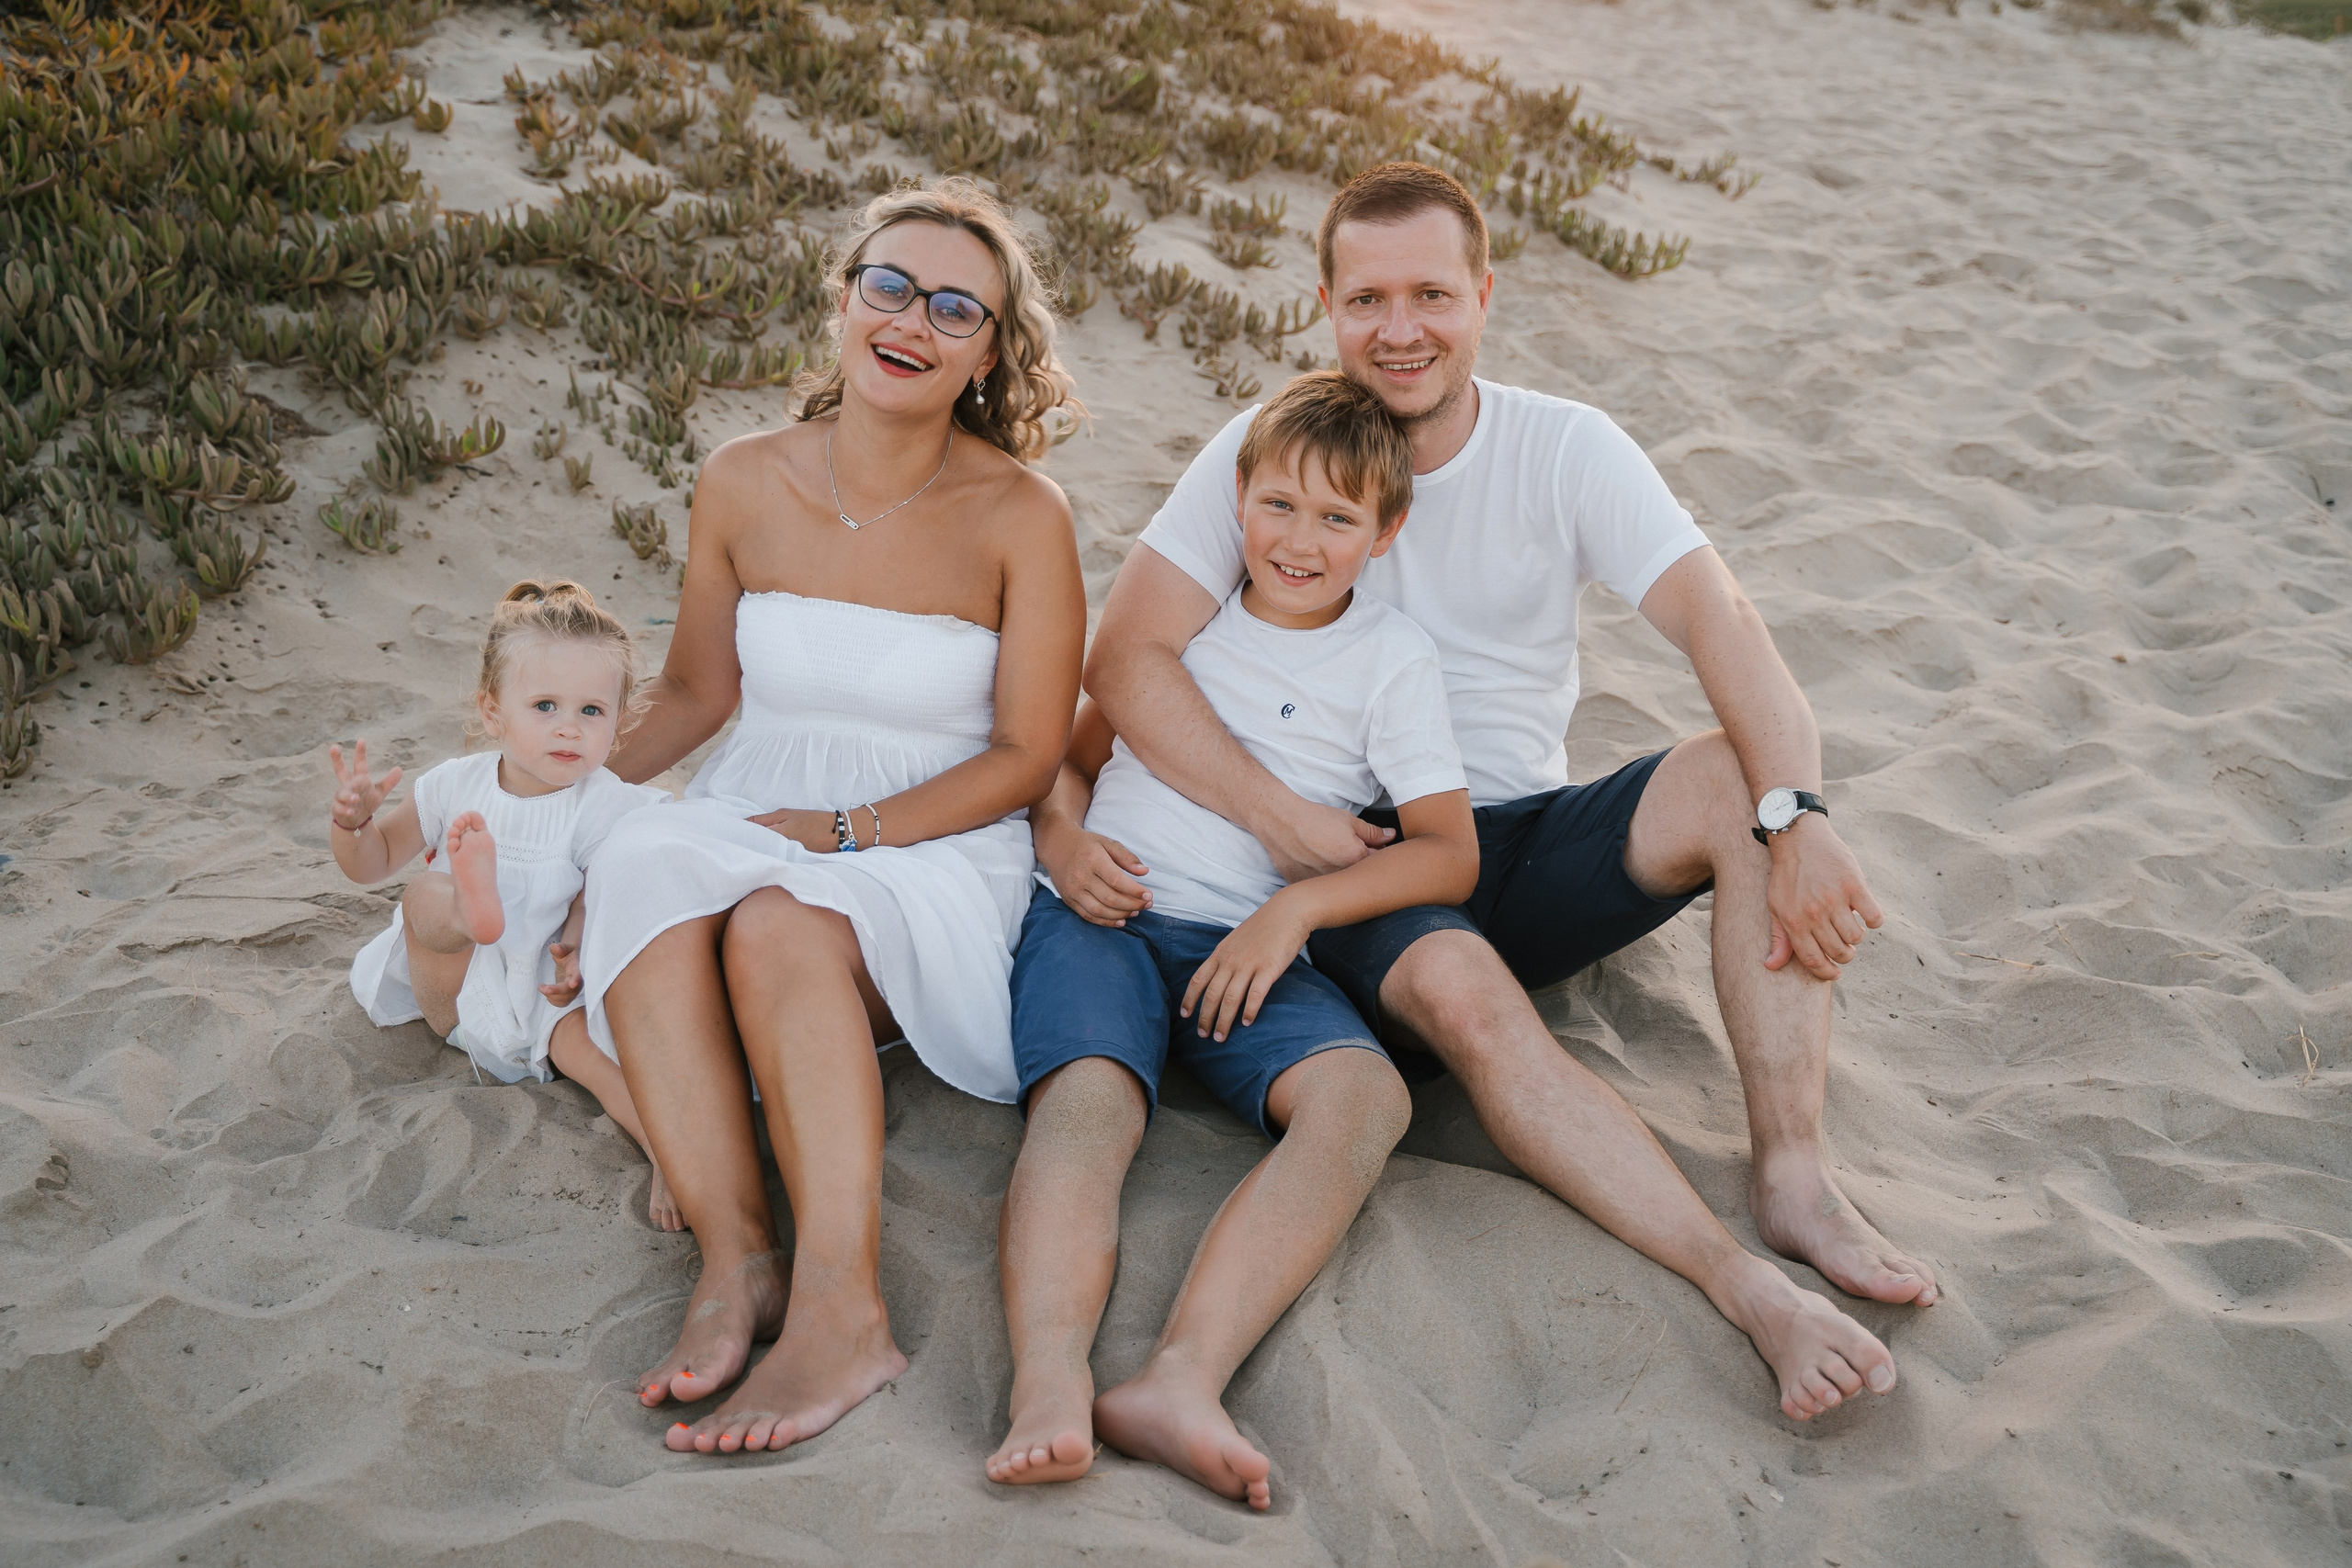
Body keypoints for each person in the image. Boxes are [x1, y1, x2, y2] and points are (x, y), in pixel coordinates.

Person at [1047, 163, 1938, 1425]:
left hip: (1513, 835)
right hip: (1366, 862)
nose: (1398, 328)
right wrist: (1281, 823)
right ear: (1325, 303)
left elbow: (1716, 613)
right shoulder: (1275, 447)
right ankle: (1747, 1286)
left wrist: (1800, 812)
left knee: (1746, 776)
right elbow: (1126, 655)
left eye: (1429, 293)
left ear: (1484, 295)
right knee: (1472, 998)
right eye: (1367, 298)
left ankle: (1792, 1170)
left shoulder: (1563, 445)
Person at [575, 177, 1087, 1456]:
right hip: (760, 799)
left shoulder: (1022, 514)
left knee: (776, 923)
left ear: (987, 353)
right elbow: (700, 688)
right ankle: (737, 1254)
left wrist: (850, 828)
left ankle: (841, 1305)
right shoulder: (741, 480)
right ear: (846, 300)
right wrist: (572, 800)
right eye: (891, 285)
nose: (913, 318)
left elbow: (1029, 754)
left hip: (933, 835)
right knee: (637, 851)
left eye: (956, 306)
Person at [989, 372, 1478, 1507]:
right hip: (1103, 912)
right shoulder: (1186, 626)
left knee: (1367, 1103)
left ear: (1384, 532)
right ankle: (1049, 1383)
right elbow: (1069, 754)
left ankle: (1180, 1378)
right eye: (1277, 506)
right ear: (1239, 500)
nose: (1298, 542)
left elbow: (1446, 854)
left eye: (1336, 517)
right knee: (1091, 1100)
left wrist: (1292, 909)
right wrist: (1061, 843)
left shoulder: (1390, 661)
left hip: (1246, 944)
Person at [333, 581, 676, 1226]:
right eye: (545, 705)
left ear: (619, 718)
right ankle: (470, 909)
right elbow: (370, 862)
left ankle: (670, 1155)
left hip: (544, 997)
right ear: (493, 711)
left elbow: (604, 895)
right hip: (456, 988)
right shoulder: (453, 786)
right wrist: (352, 823)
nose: (569, 726)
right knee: (424, 893)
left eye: (592, 711)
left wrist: (573, 948)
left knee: (603, 1070)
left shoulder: (605, 805)